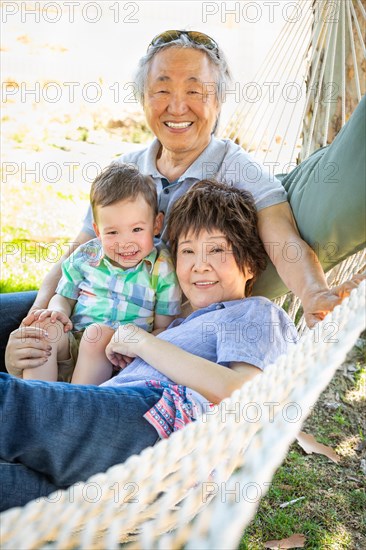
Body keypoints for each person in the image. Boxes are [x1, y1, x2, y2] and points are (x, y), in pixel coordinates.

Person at [3, 30, 365, 375]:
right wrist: (37, 317)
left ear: (219, 100)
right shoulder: (125, 169)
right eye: (161, 90)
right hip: (89, 306)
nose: (177, 107)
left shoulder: (239, 170)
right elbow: (80, 251)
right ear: (143, 98)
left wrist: (314, 294)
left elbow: (282, 237)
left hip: (156, 334)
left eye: (195, 90)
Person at [0, 180, 298, 511]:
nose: (199, 265)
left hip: (155, 425)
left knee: (10, 401)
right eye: (187, 251)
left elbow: (244, 394)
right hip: (103, 437)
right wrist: (20, 362)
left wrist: (141, 342)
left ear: (251, 264)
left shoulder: (256, 312)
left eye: (216, 250)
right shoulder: (181, 325)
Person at [22, 163, 181, 385]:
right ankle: (36, 402)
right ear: (97, 231)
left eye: (136, 229)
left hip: (116, 357)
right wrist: (57, 312)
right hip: (72, 343)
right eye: (113, 232)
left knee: (96, 336)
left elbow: (164, 327)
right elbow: (64, 295)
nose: (125, 243)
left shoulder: (162, 268)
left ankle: (76, 408)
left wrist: (136, 346)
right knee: (44, 329)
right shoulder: (87, 255)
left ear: (156, 224)